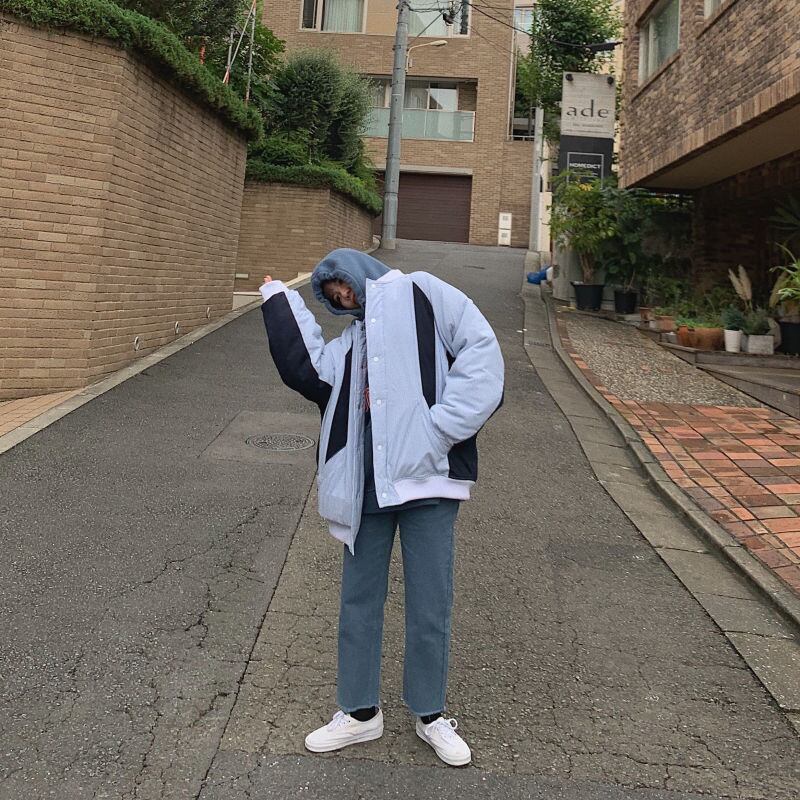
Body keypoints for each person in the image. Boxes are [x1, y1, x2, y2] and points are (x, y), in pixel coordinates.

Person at [259, 248, 504, 766]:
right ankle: (359, 712)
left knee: (430, 602)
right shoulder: (350, 344)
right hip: (363, 485)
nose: (343, 296)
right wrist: (280, 299)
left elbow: (482, 351)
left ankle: (431, 715)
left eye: (343, 284)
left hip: (429, 481)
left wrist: (440, 430)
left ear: (359, 269)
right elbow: (309, 372)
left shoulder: (423, 291)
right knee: (358, 600)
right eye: (333, 296)